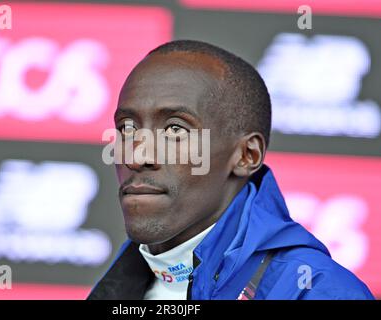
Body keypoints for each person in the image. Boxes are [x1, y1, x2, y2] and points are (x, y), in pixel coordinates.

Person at [87, 40, 374, 300]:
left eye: (175, 129)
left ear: (246, 155)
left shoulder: (318, 292)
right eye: (127, 127)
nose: (137, 155)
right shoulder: (122, 285)